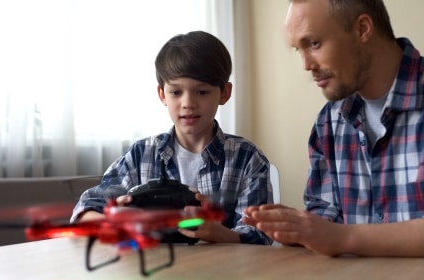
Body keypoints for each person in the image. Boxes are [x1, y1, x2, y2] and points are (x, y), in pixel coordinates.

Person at [244, 0, 424, 257]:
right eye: (297, 49)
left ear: (362, 29)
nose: (306, 65)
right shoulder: (329, 122)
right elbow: (324, 215)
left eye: (314, 43)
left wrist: (343, 237)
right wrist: (295, 229)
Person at [72, 30, 273, 245]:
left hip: (221, 273)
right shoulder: (141, 155)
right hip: (152, 272)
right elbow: (84, 210)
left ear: (224, 93)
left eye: (202, 92)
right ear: (162, 94)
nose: (188, 103)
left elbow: (260, 235)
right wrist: (116, 223)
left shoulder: (246, 158)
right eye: (176, 92)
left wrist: (218, 233)